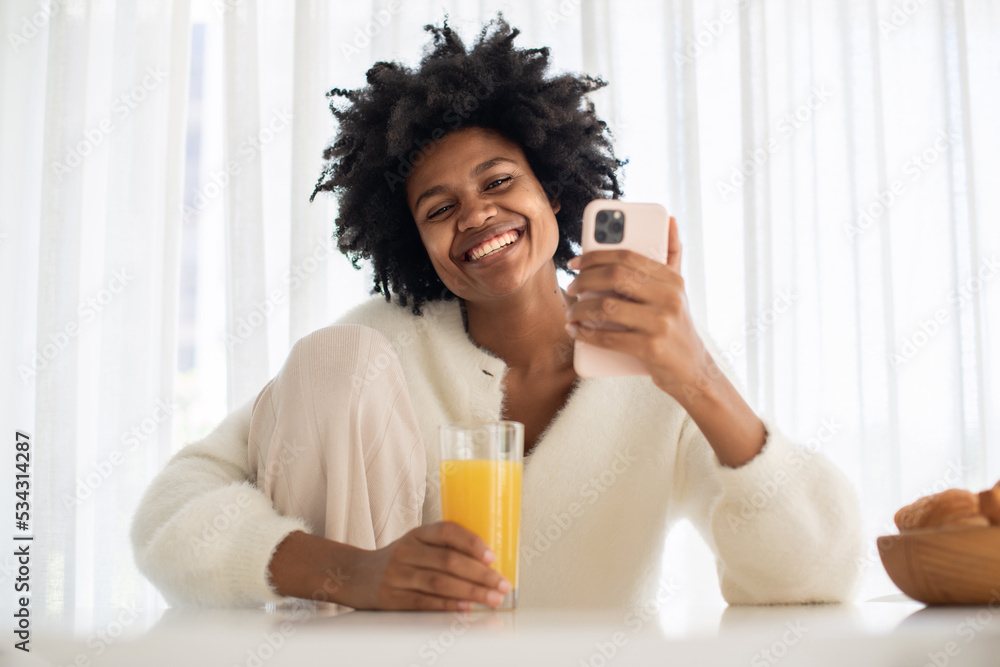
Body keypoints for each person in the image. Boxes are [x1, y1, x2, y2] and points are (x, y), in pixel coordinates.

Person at [131, 17, 863, 611]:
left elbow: (815, 572)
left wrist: (695, 374)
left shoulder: (656, 358)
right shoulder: (373, 346)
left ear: (554, 189)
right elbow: (169, 512)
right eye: (440, 208)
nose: (478, 215)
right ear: (416, 245)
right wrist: (357, 573)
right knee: (333, 357)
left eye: (501, 180)